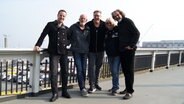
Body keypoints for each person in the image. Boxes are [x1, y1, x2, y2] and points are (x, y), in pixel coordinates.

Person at [33, 9, 71, 102]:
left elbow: (70, 39)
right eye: (60, 15)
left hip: (64, 53)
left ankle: (64, 91)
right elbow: (43, 35)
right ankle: (55, 93)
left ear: (65, 17)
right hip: (53, 53)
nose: (61, 17)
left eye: (63, 16)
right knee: (53, 73)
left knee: (65, 72)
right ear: (57, 15)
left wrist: (66, 44)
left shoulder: (66, 28)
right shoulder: (50, 25)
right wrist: (38, 45)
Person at [111, 9, 140, 99]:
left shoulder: (127, 21)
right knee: (125, 71)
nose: (116, 16)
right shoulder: (119, 24)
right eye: (115, 16)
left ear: (121, 14)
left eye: (117, 14)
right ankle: (127, 88)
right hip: (122, 51)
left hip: (129, 51)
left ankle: (130, 91)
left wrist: (131, 45)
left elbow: (136, 33)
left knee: (129, 72)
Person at [67, 14, 90, 97]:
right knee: (79, 69)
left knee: (84, 69)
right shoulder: (73, 27)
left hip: (85, 51)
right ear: (79, 19)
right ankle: (82, 88)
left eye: (84, 18)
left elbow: (90, 40)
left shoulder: (88, 28)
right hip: (76, 51)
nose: (83, 19)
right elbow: (67, 36)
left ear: (86, 20)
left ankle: (82, 86)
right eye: (81, 18)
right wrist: (67, 45)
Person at [86, 10, 106, 93]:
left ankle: (96, 83)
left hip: (101, 51)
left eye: (98, 15)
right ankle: (91, 85)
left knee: (98, 68)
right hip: (91, 51)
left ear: (100, 16)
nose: (97, 17)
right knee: (91, 68)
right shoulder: (89, 25)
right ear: (93, 16)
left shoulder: (104, 24)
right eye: (95, 15)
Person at [104, 18, 120, 96]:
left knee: (115, 71)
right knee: (113, 72)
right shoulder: (107, 32)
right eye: (107, 23)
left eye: (110, 23)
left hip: (117, 54)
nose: (108, 24)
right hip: (109, 55)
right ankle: (114, 86)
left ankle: (115, 88)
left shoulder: (117, 29)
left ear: (113, 23)